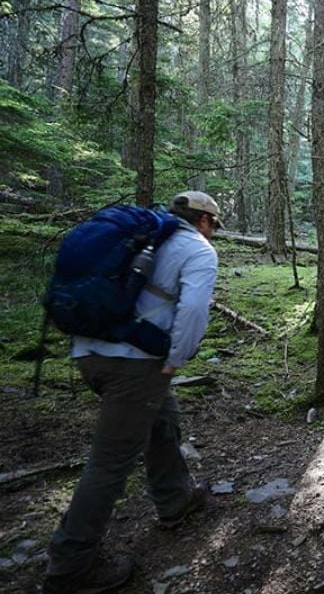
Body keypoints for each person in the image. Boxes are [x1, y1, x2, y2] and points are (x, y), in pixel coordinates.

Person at [43, 191, 222, 594]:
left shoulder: (140, 236)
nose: (214, 233)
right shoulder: (198, 250)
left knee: (162, 420)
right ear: (205, 221)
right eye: (215, 225)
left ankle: (175, 500)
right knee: (110, 462)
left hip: (89, 349)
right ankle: (72, 564)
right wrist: (177, 358)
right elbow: (192, 311)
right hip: (134, 362)